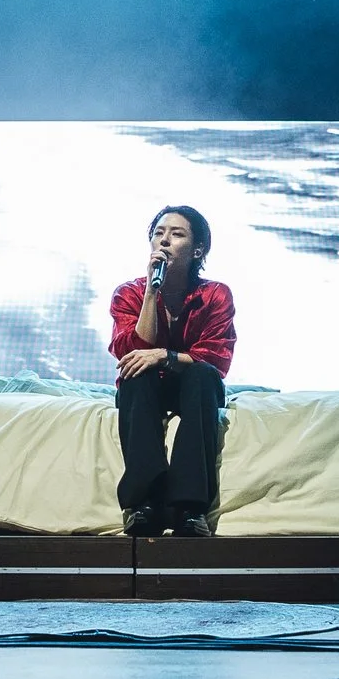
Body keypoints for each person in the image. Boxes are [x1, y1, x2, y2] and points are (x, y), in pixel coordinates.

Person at [107, 205, 237, 538]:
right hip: (148, 386)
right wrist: (153, 290)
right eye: (159, 234)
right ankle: (142, 505)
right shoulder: (129, 293)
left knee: (202, 376)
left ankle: (190, 509)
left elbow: (216, 359)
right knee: (136, 375)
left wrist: (165, 357)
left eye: (176, 234)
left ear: (198, 250)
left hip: (193, 384)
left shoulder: (215, 294)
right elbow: (129, 351)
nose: (164, 241)